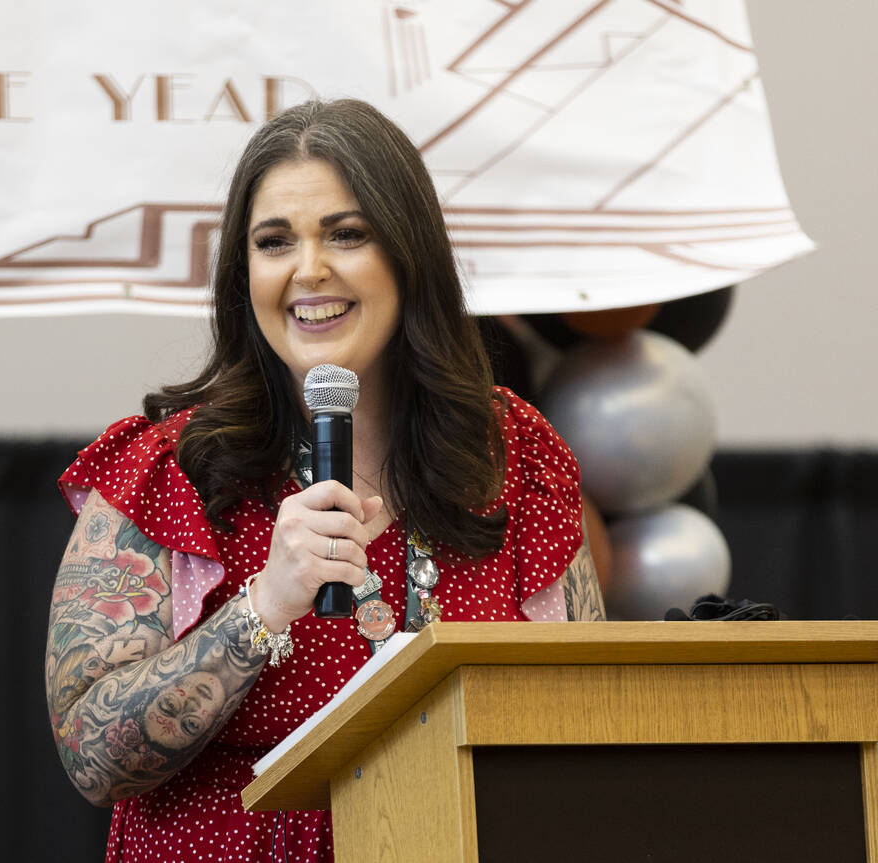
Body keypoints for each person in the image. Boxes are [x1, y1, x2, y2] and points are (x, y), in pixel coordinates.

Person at [45, 98, 605, 862]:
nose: (309, 270)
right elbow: (90, 756)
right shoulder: (169, 469)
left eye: (347, 234)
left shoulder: (512, 453)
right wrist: (266, 603)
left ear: (409, 256)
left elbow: (593, 717)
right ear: (247, 275)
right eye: (275, 242)